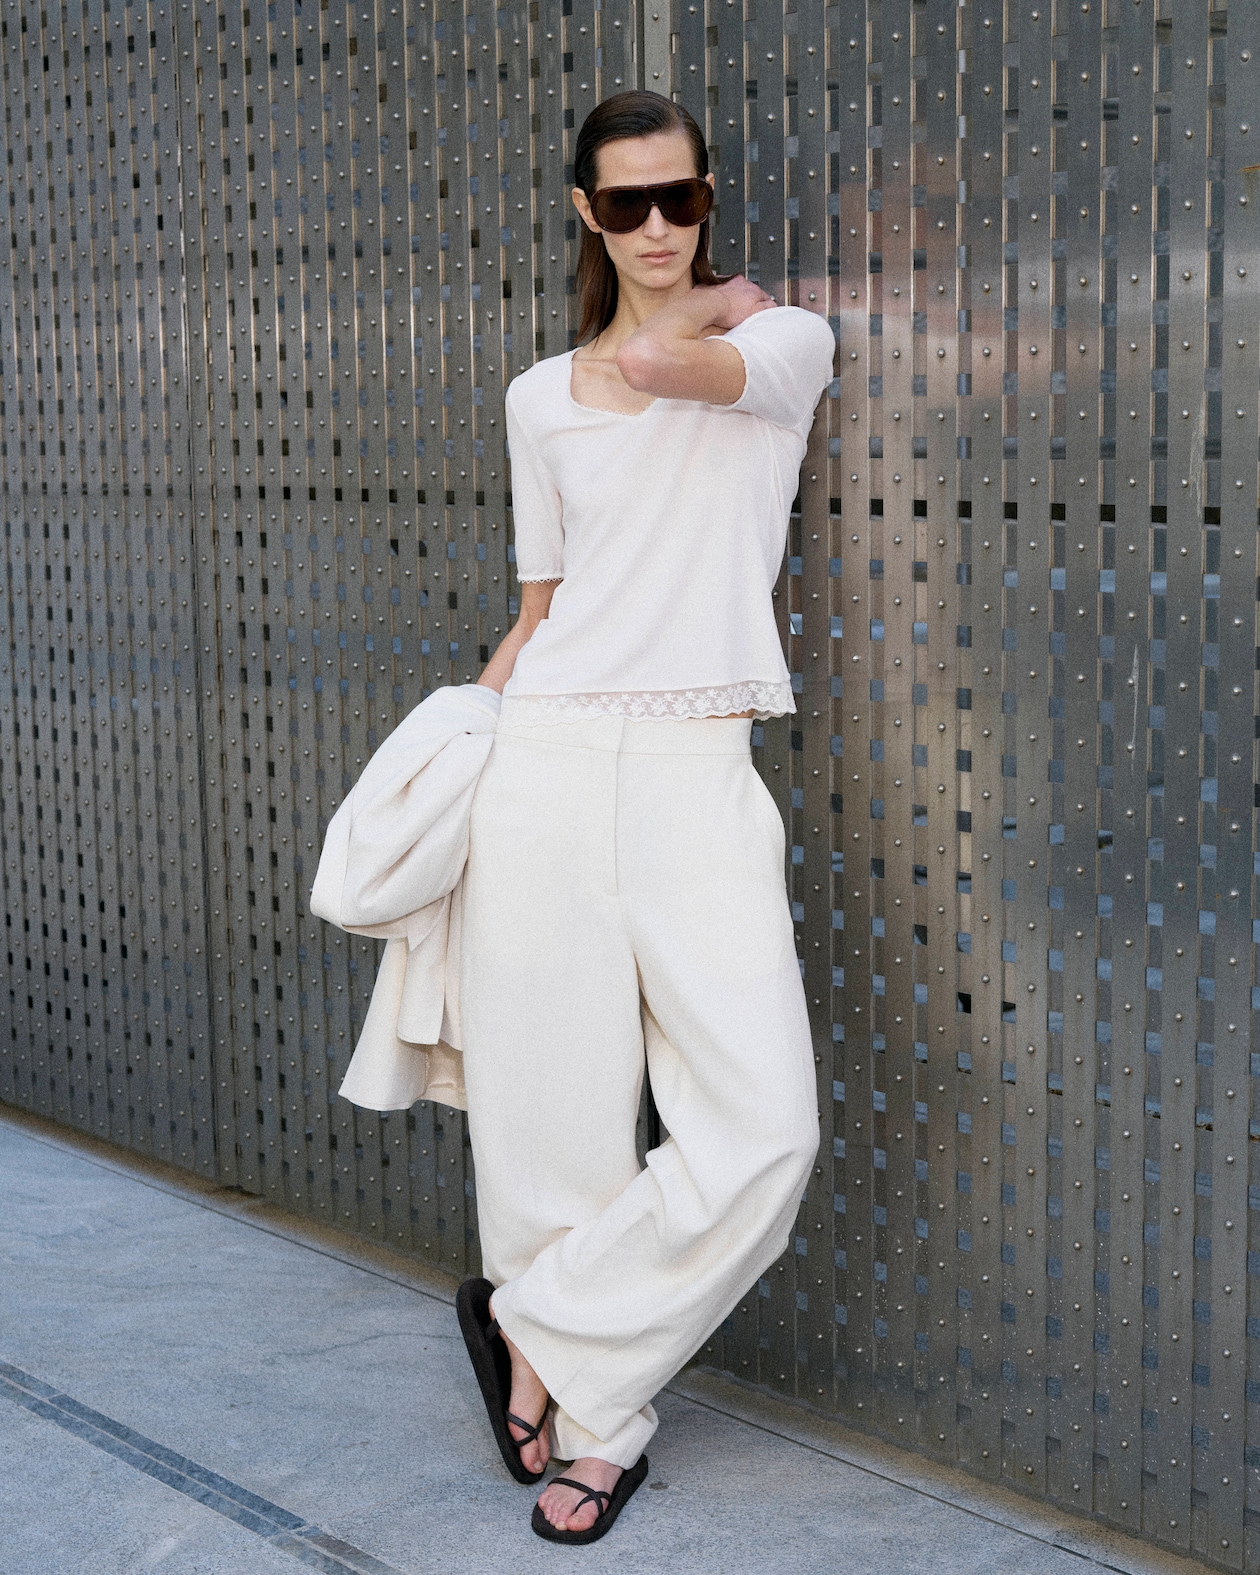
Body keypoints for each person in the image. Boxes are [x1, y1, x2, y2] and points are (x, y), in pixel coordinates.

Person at [454, 88, 835, 1545]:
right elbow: (539, 612)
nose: (660, 229)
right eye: (627, 206)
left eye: (682, 201)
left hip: (697, 768)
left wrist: (714, 303)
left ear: (710, 197)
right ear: (586, 215)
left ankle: (541, 1324)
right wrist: (476, 759)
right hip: (547, 759)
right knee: (554, 1128)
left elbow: (680, 374)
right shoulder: (536, 397)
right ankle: (603, 1436)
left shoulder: (786, 345)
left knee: (764, 1136)